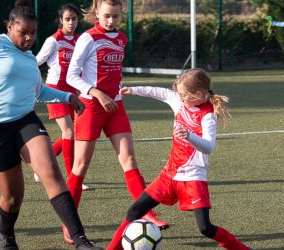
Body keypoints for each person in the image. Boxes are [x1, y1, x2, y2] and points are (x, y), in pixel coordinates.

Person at [0, 1, 102, 250]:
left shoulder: (29, 57)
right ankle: (6, 236)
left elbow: (37, 90)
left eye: (33, 33)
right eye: (23, 33)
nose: (29, 38)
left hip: (25, 120)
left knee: (51, 171)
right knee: (13, 197)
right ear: (10, 26)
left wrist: (67, 97)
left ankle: (80, 240)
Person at [107, 68, 251, 250]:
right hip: (170, 174)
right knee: (134, 211)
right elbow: (159, 92)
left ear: (199, 93)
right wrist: (134, 90)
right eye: (179, 94)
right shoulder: (178, 101)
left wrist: (189, 135)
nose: (180, 98)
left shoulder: (207, 116)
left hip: (192, 178)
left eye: (184, 95)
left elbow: (209, 146)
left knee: (205, 228)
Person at [64, 0, 169, 245]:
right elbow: (71, 75)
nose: (111, 21)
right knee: (80, 166)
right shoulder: (87, 38)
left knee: (130, 160)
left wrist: (116, 93)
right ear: (96, 12)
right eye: (107, 16)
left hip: (116, 106)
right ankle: (69, 223)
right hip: (91, 106)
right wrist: (97, 93)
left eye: (116, 16)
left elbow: (115, 71)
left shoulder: (121, 38)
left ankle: (147, 214)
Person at [35, 3, 89, 191]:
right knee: (69, 132)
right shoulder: (53, 41)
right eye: (67, 19)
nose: (71, 22)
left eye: (74, 19)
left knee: (72, 133)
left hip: (73, 92)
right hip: (55, 90)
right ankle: (71, 178)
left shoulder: (81, 40)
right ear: (60, 21)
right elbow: (36, 62)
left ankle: (39, 167)